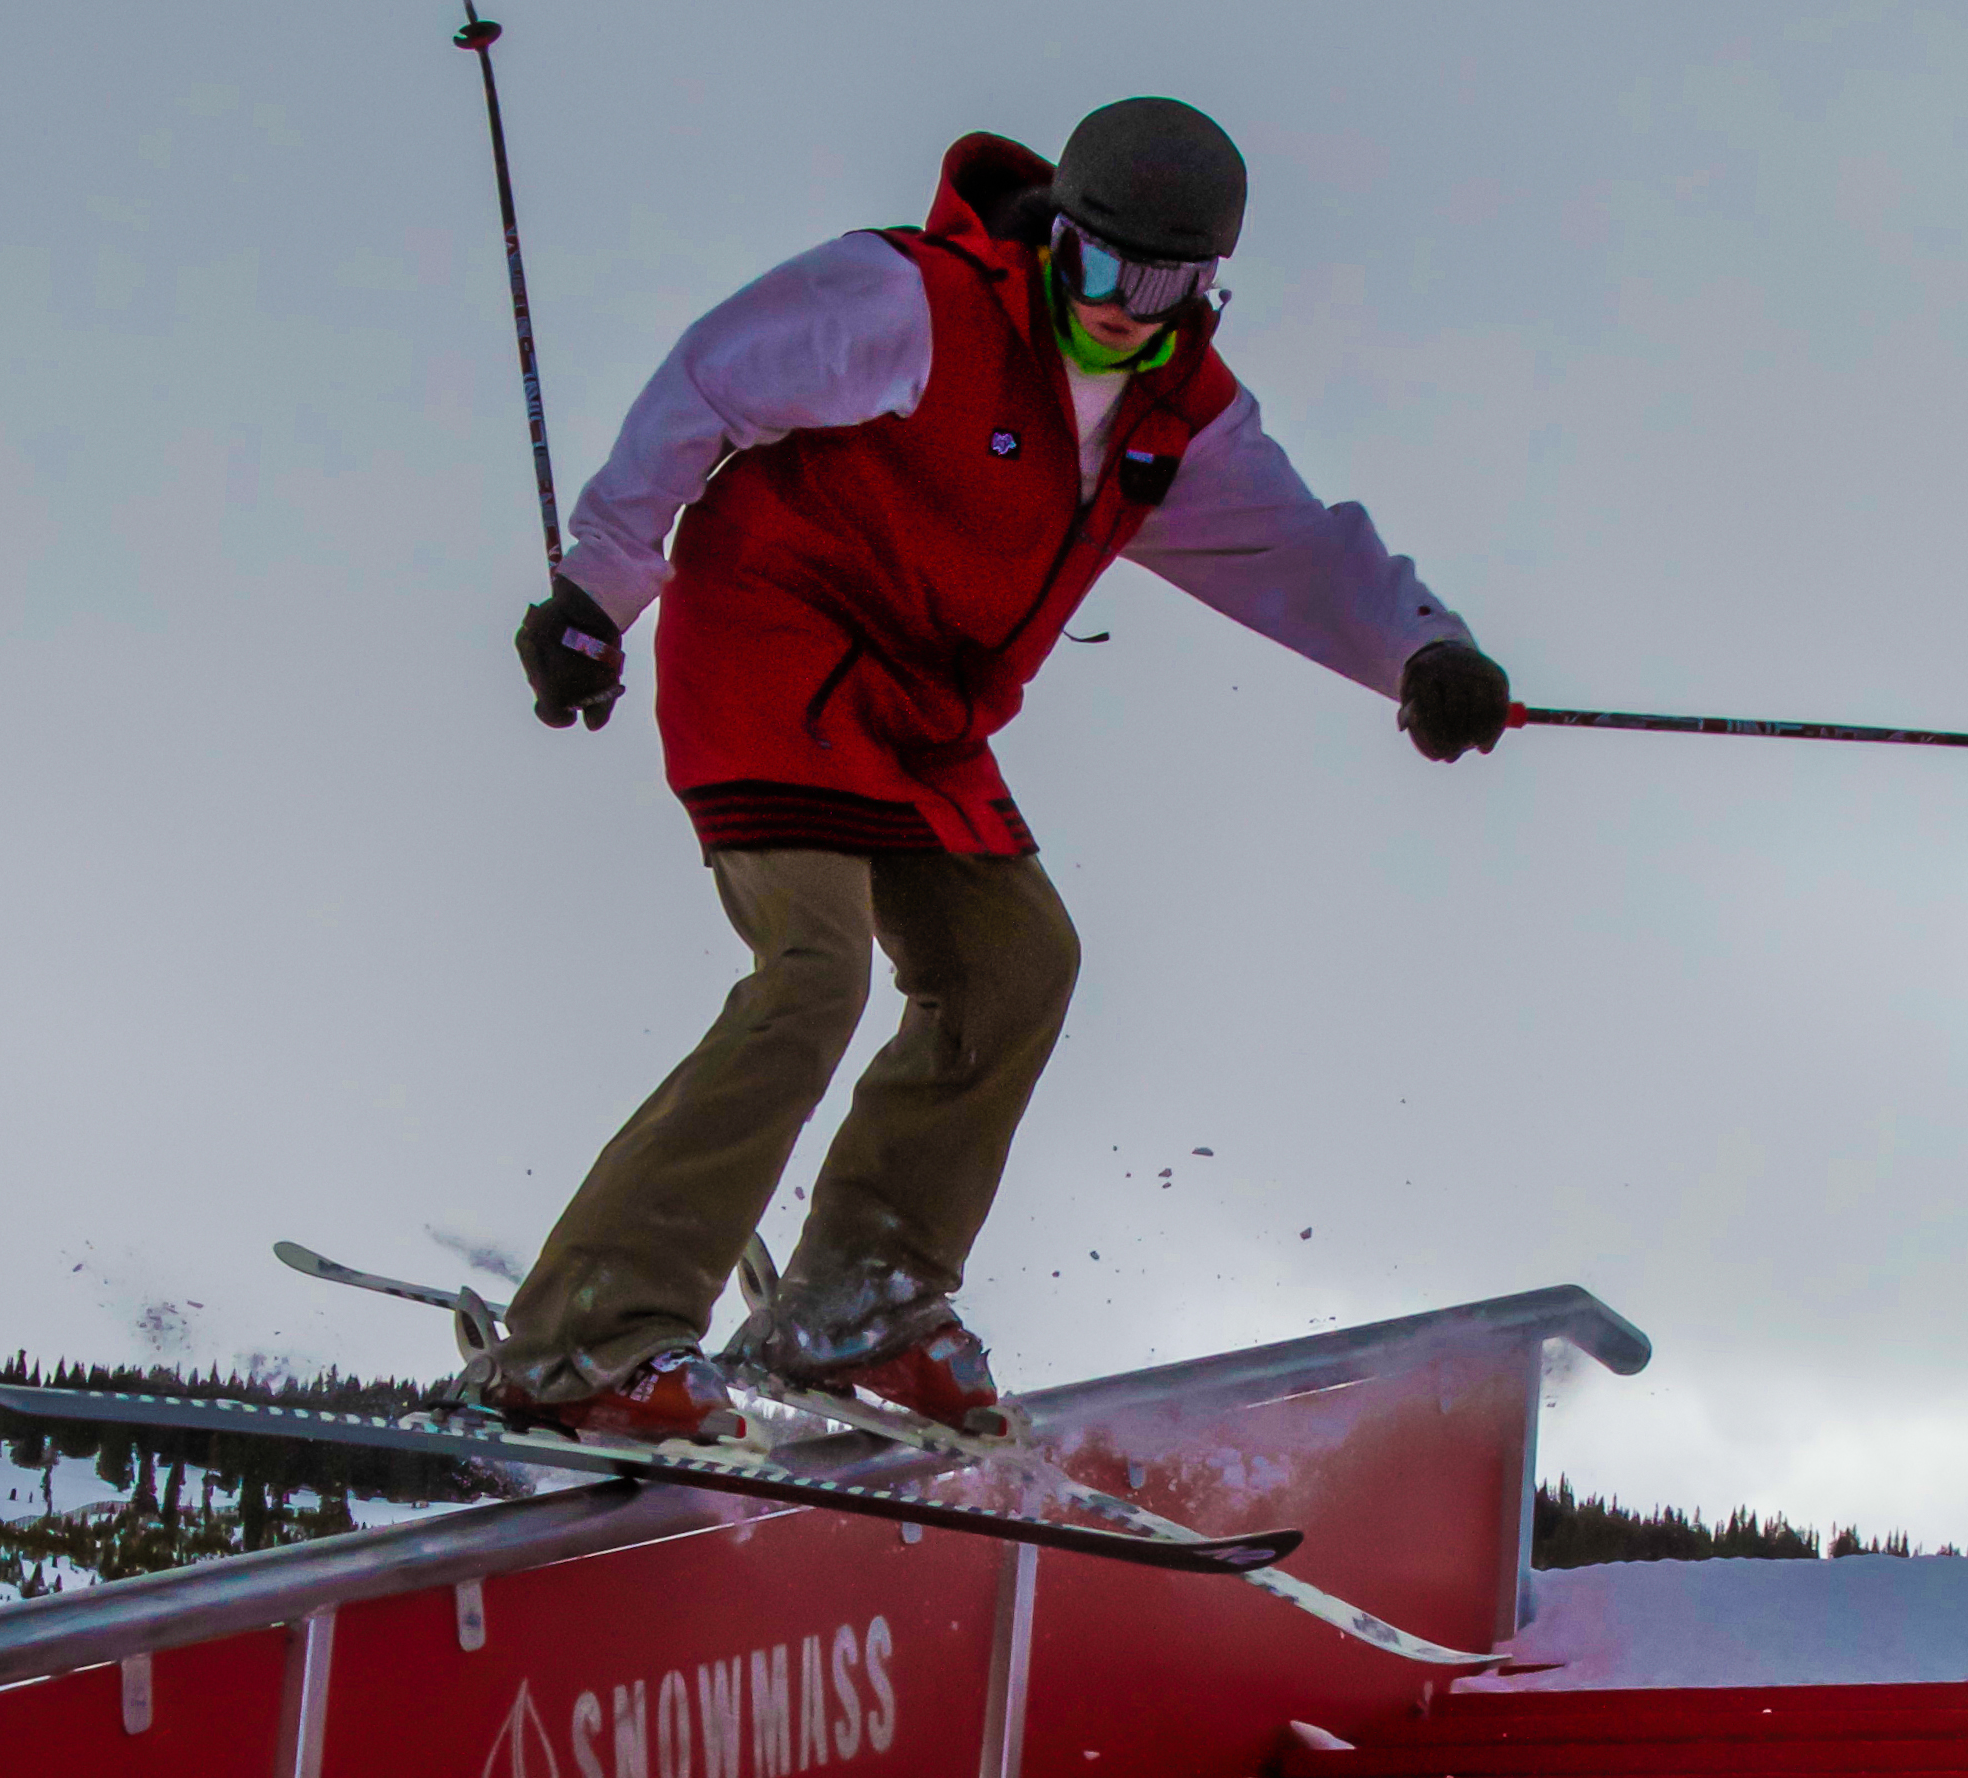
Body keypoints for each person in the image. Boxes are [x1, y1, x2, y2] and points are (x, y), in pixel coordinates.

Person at [474, 97, 1511, 1442]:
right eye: (1099, 267)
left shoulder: (1176, 419)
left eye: (1164, 286)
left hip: (923, 714)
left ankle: (860, 1300)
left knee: (1019, 965)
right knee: (812, 976)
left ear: (1206, 286)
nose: (1122, 309)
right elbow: (706, 385)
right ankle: (582, 1340)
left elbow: (1299, 552)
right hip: (777, 643)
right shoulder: (911, 304)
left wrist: (1425, 652)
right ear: (1057, 237)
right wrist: (596, 594)